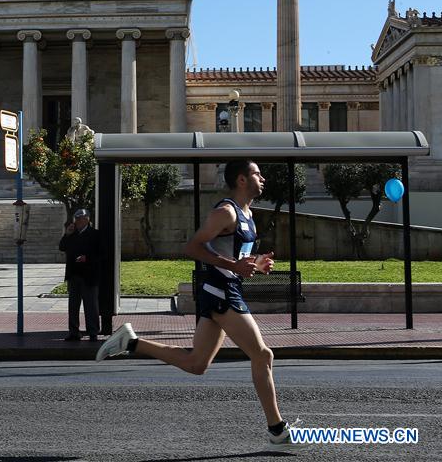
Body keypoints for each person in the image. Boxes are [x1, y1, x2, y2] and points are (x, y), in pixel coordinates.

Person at [96, 160, 299, 446]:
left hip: (224, 288)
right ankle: (277, 429)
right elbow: (193, 247)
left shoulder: (247, 213)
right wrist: (233, 265)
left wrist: (256, 263)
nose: (262, 178)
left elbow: (233, 256)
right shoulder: (225, 212)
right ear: (241, 180)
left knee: (196, 364)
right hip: (221, 291)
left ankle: (131, 343)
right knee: (263, 355)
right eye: (256, 173)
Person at [59, 209, 101, 342]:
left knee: (91, 305)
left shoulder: (95, 234)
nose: (77, 221)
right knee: (73, 305)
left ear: (87, 219)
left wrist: (87, 258)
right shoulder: (72, 234)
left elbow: (102, 253)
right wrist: (67, 234)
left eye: (80, 219)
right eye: (76, 219)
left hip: (88, 275)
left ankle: (93, 331)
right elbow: (62, 247)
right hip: (74, 274)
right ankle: (74, 332)